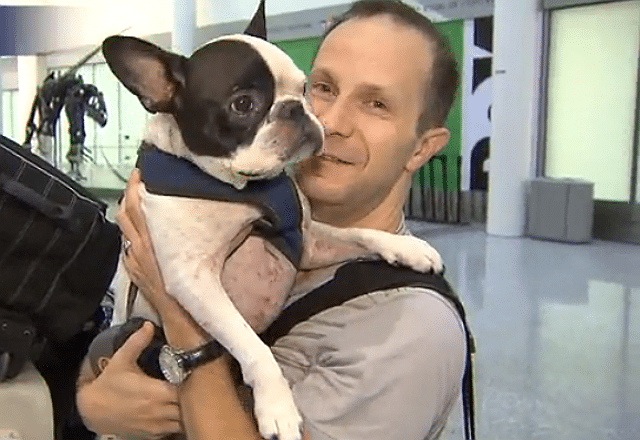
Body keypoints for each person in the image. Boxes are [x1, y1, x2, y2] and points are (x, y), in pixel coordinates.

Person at [75, 1, 467, 439]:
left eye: (375, 103)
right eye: (322, 87)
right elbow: (116, 337)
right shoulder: (246, 205)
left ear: (422, 147)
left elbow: (174, 301)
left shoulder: (409, 331)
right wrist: (93, 399)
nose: (330, 121)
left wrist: (180, 324)